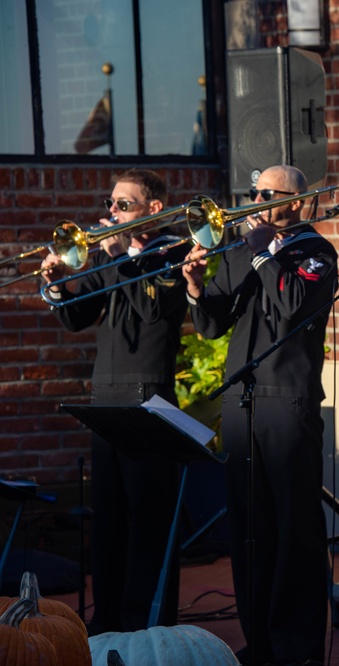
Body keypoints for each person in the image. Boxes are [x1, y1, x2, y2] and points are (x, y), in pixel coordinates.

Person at [181, 165, 335, 666]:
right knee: (249, 529)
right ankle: (261, 641)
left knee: (294, 528)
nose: (255, 199)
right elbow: (211, 327)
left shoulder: (317, 251)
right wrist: (197, 287)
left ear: (295, 201)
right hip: (242, 400)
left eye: (267, 193)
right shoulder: (243, 249)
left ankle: (299, 647)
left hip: (288, 401)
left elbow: (292, 304)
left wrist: (266, 250)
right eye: (254, 192)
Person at [40, 168, 189, 633]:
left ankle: (147, 625)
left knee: (148, 520)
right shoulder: (110, 254)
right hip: (105, 395)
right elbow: (77, 317)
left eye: (123, 205)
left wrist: (124, 255)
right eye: (111, 204)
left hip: (149, 395)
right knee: (108, 522)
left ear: (154, 209)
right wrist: (61, 282)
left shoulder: (175, 250)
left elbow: (153, 309)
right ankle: (106, 626)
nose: (112, 213)